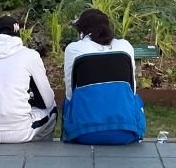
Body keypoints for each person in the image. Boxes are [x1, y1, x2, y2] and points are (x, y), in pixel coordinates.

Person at [62, 8, 145, 145]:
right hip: (127, 132)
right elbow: (132, 90)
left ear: (81, 32)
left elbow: (70, 94)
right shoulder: (125, 47)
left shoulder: (74, 49)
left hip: (83, 134)